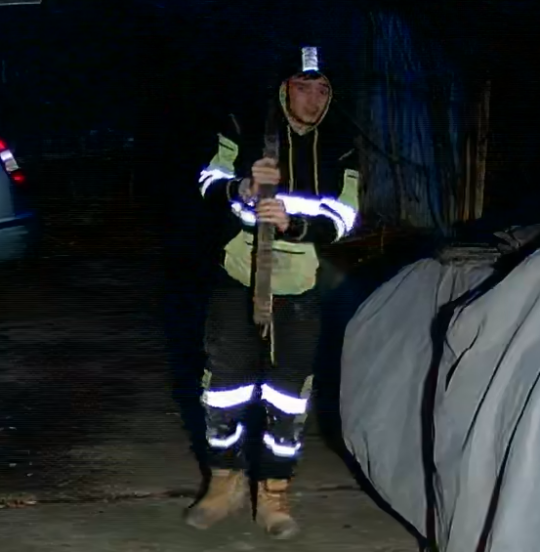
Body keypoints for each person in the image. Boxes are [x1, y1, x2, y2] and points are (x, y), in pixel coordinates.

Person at [185, 46, 361, 539]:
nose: (312, 99)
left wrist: (294, 223)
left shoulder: (341, 144)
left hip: (299, 284)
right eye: (303, 87)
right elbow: (205, 181)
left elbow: (345, 217)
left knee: (287, 395)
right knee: (223, 387)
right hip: (237, 275)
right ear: (285, 89)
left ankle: (274, 492)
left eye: (322, 89)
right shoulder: (244, 126)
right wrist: (239, 188)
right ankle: (224, 482)